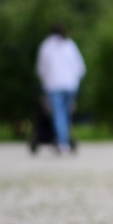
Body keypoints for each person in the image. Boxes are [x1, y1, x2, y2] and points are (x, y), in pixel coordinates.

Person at [37, 22, 86, 154]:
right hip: (71, 85)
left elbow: (41, 69)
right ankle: (65, 138)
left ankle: (62, 143)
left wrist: (45, 82)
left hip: (54, 85)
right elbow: (80, 68)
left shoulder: (46, 46)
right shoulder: (70, 45)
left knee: (58, 114)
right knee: (66, 114)